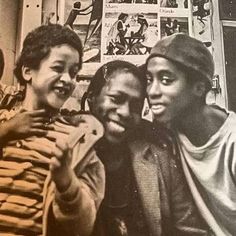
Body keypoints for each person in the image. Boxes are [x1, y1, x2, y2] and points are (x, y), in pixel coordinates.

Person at [0, 24, 105, 236]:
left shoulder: (78, 143)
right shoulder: (4, 123)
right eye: (58, 68)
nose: (68, 79)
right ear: (28, 71)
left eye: (74, 73)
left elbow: (83, 226)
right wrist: (6, 131)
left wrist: (66, 182)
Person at [85, 60, 211, 236]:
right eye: (116, 99)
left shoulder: (160, 156)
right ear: (91, 99)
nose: (126, 112)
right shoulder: (65, 152)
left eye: (135, 106)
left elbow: (191, 230)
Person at [145, 32, 236, 235]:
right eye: (149, 79)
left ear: (199, 87)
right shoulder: (167, 129)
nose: (152, 91)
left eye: (166, 80)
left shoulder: (232, 143)